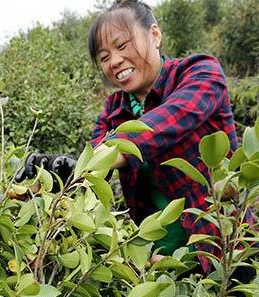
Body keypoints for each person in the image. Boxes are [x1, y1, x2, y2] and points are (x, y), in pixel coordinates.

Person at [22, 0, 236, 269]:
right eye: (104, 57)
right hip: (155, 263)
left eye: (122, 46)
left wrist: (99, 157)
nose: (115, 61)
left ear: (154, 35)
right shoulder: (114, 109)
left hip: (219, 251)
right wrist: (58, 171)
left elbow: (166, 123)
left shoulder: (200, 72)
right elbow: (94, 166)